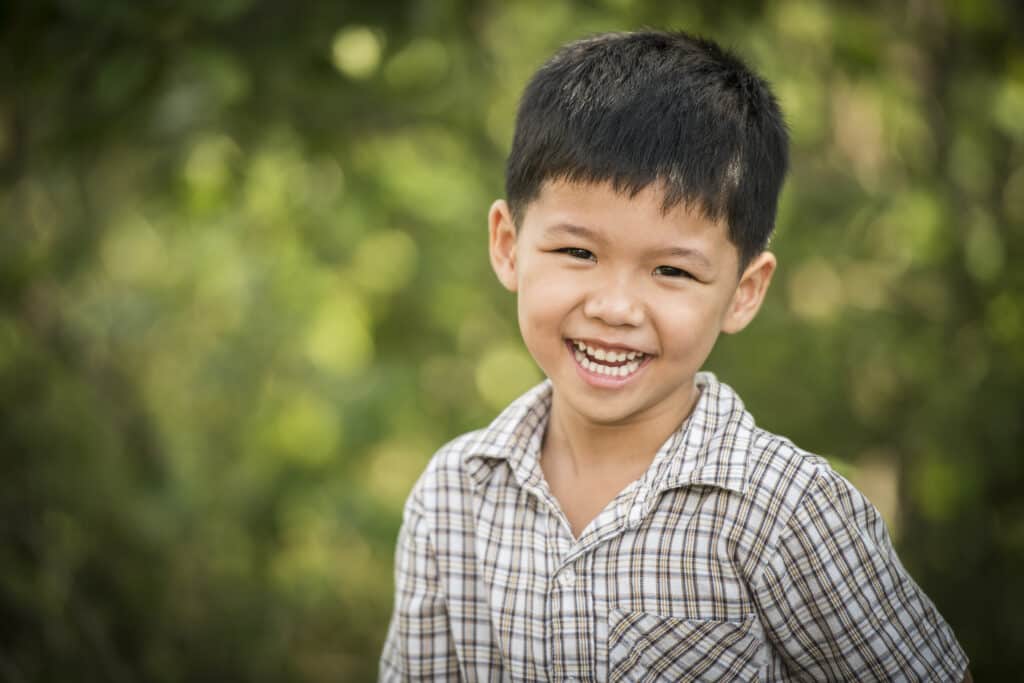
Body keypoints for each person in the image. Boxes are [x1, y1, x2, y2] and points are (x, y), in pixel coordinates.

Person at [379, 29, 970, 681]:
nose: (615, 306)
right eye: (578, 252)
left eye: (671, 271)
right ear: (507, 244)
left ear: (744, 292)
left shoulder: (785, 509)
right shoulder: (453, 497)